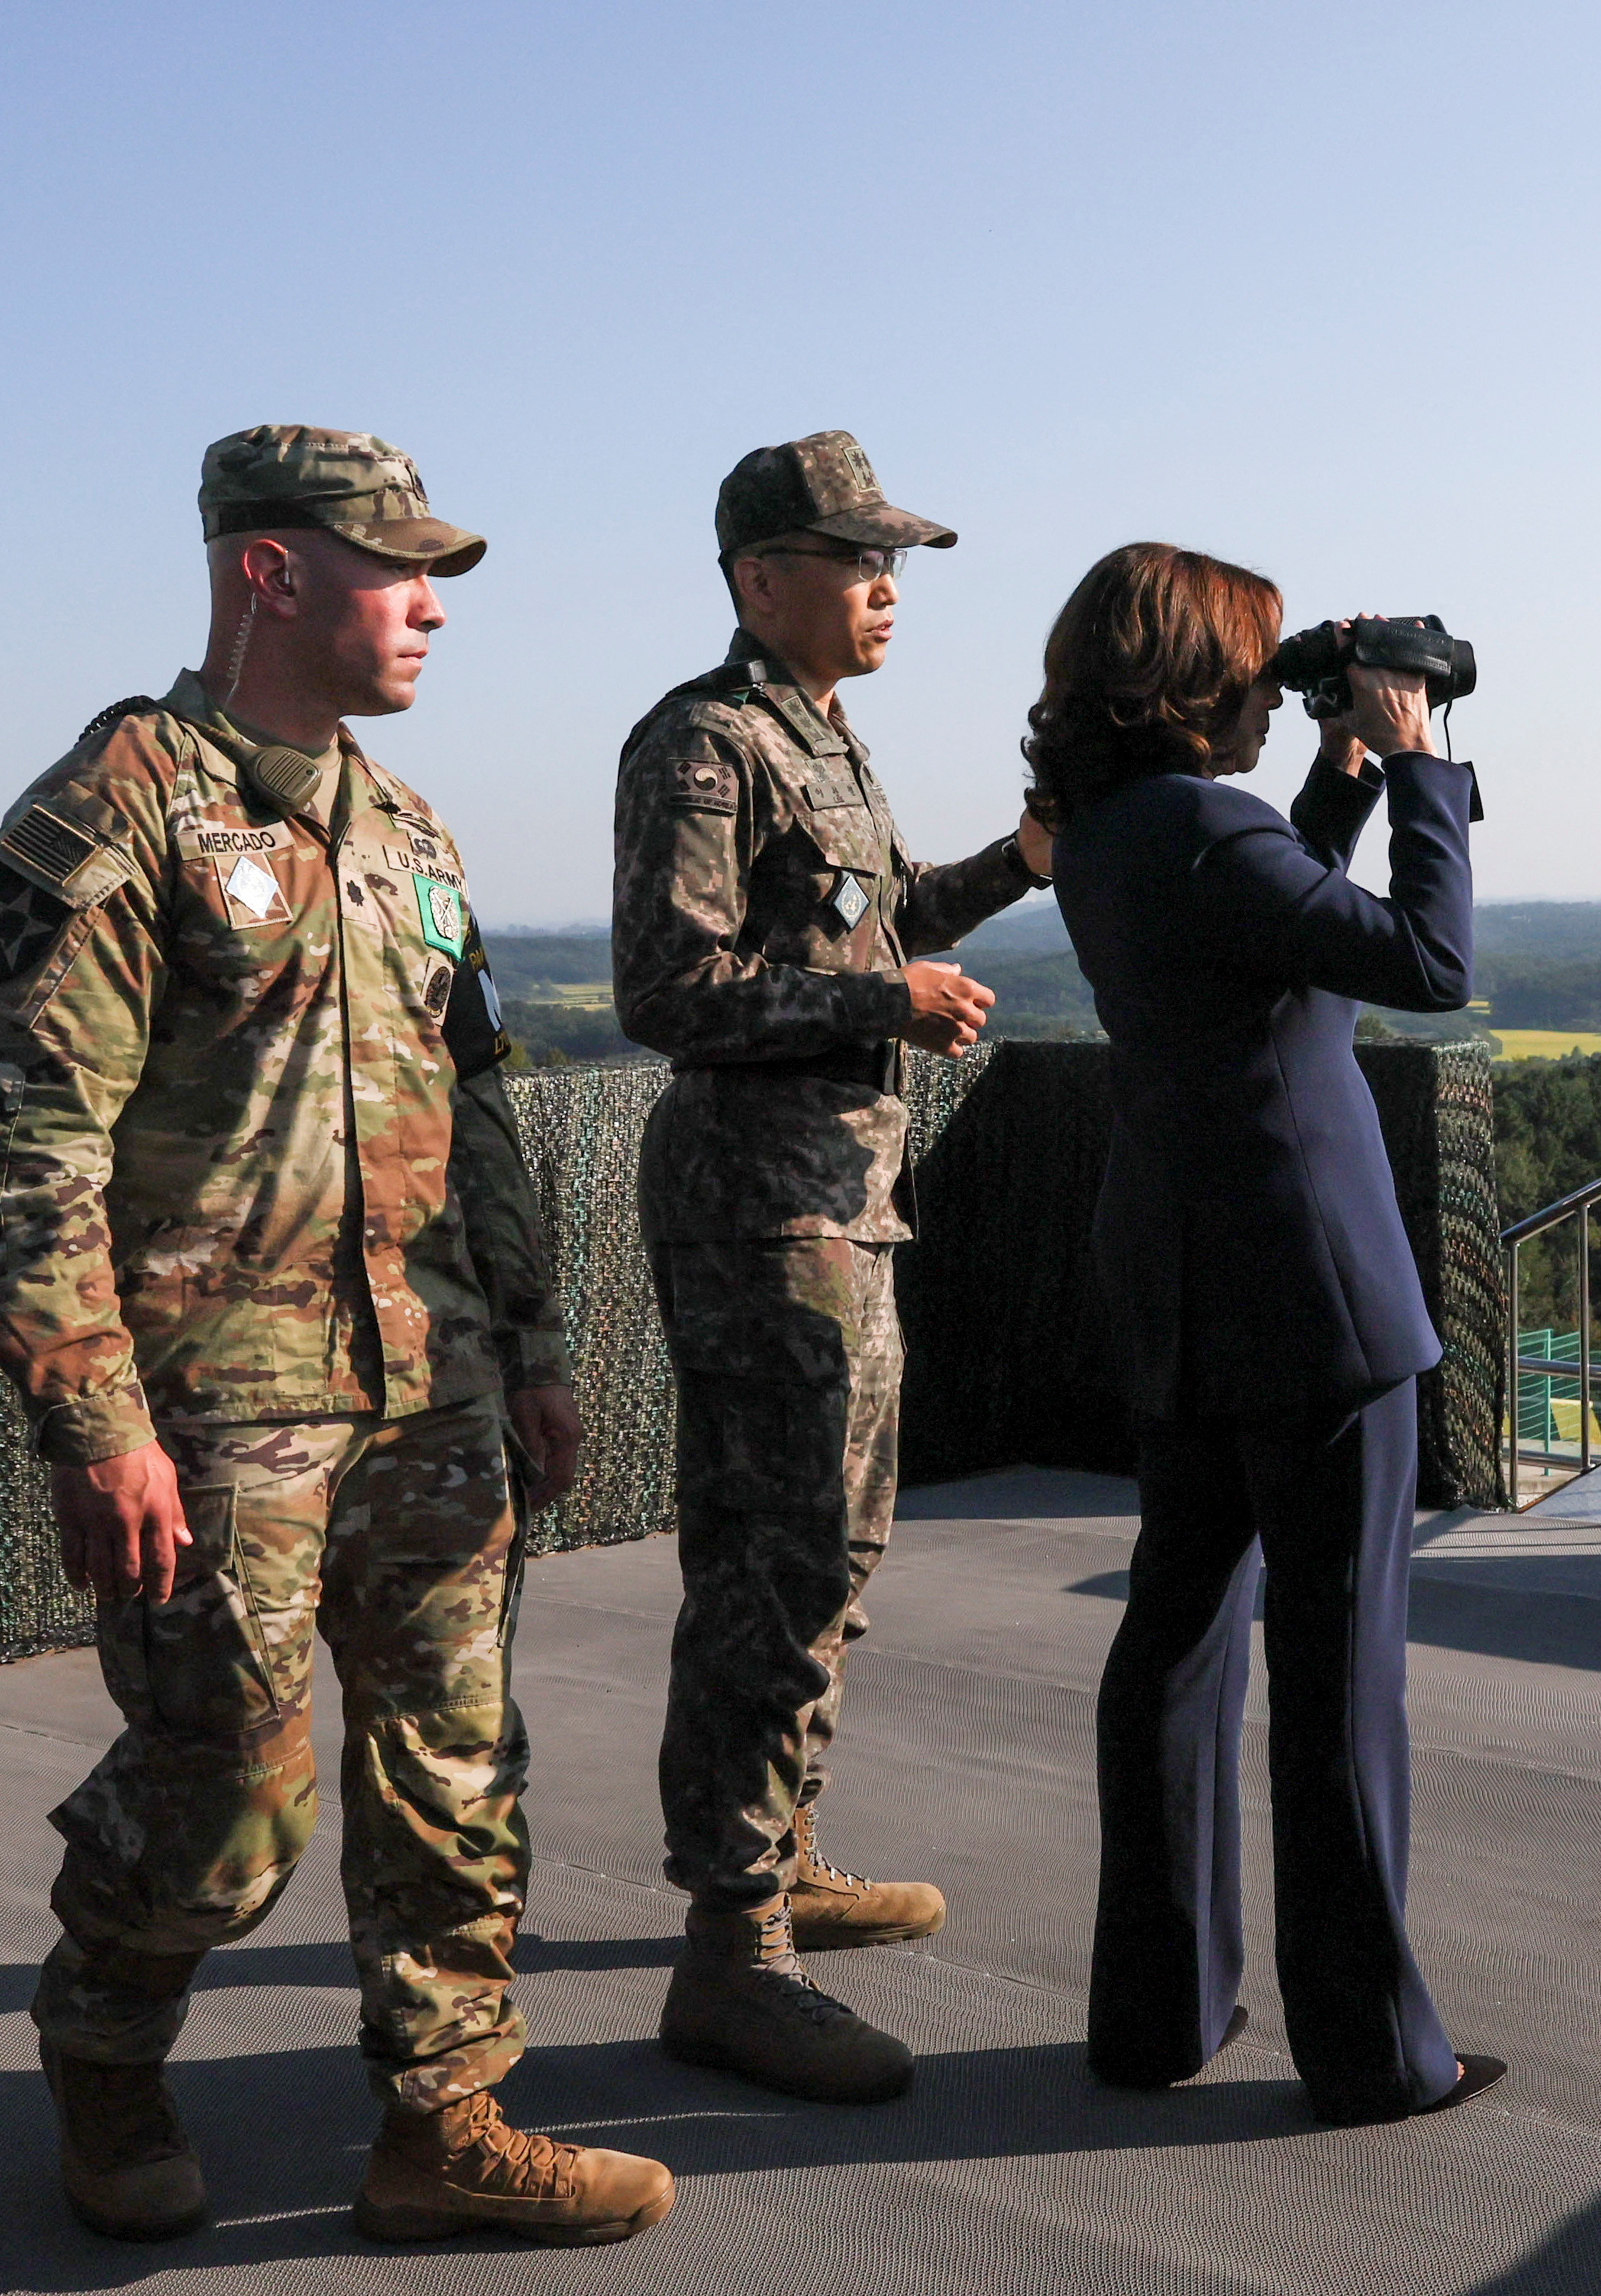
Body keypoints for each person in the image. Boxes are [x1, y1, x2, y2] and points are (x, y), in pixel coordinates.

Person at [0, 426, 671, 2247]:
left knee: (453, 1764)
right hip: (216, 1406)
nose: (430, 605)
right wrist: (91, 1414)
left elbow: (480, 1100)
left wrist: (542, 1343)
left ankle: (446, 2116)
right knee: (231, 1792)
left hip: (433, 1387)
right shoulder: (122, 802)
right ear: (270, 572)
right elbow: (26, 1135)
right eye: (394, 566)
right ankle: (102, 2041)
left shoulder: (408, 827)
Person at [1035, 542, 1505, 2125]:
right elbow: (1427, 967)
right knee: (1334, 1669)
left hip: (1180, 1283)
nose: (1265, 686)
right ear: (1188, 682)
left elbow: (1265, 916)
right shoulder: (1195, 828)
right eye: (1249, 667)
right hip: (1312, 1298)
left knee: (1173, 1640)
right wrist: (1424, 769)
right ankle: (1370, 2046)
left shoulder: (1116, 832)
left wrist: (1338, 771)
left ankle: (1156, 2008)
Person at [612, 429, 1050, 2104]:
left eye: (896, 560)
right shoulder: (708, 742)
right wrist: (887, 1004)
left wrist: (1013, 865)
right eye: (858, 557)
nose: (886, 585)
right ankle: (735, 1950)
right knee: (787, 1555)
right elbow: (670, 988)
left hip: (837, 1203)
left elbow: (876, 919)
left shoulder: (827, 744)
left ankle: (771, 1859)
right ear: (758, 577)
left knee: (812, 1549)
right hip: (764, 1212)